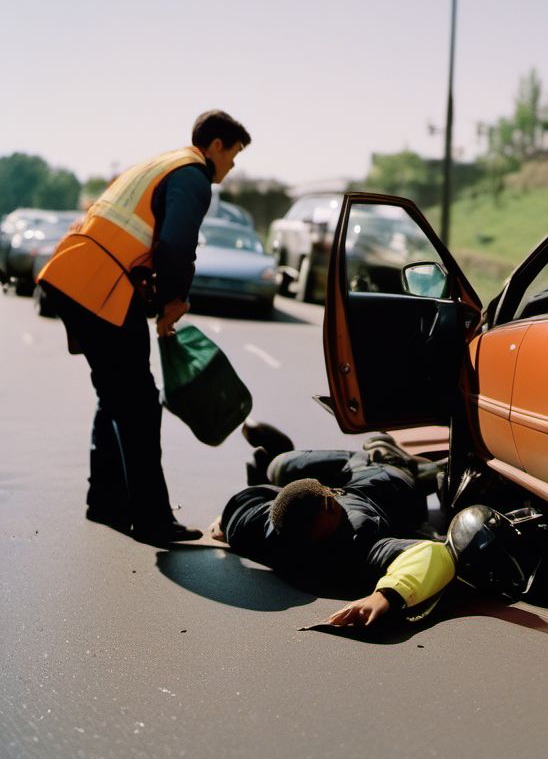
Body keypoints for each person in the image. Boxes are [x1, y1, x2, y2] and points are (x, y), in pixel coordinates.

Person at [36, 110, 251, 543]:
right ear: (215, 146)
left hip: (75, 278)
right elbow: (175, 244)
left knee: (115, 394)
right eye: (234, 154)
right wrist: (174, 300)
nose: (232, 166)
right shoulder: (193, 175)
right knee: (138, 403)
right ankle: (151, 519)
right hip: (100, 287)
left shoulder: (163, 163)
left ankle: (106, 503)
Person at [211, 429, 456, 627]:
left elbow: (241, 504)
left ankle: (281, 461)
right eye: (329, 502)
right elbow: (432, 553)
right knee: (389, 470)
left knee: (280, 466)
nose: (331, 497)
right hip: (392, 487)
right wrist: (387, 595)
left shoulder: (258, 528)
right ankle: (398, 460)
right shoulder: (359, 539)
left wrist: (223, 524)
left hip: (347, 477)